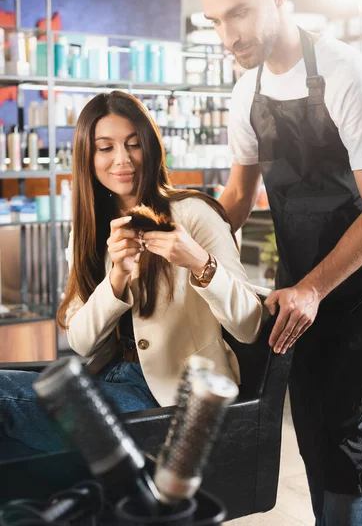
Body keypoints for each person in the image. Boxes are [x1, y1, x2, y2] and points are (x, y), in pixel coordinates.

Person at [195, 0, 362, 526]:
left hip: (359, 287)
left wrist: (315, 288)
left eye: (240, 12)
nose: (229, 36)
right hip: (296, 286)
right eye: (215, 20)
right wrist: (186, 249)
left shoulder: (346, 76)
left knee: (349, 441)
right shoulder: (245, 94)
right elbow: (236, 197)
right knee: (310, 429)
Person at [0, 90, 263, 456]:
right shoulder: (89, 230)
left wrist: (200, 263)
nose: (122, 160)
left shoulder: (195, 214)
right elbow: (80, 341)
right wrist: (116, 280)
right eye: (105, 148)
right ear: (87, 157)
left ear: (150, 147)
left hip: (171, 398)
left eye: (133, 144)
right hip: (108, 378)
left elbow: (250, 326)